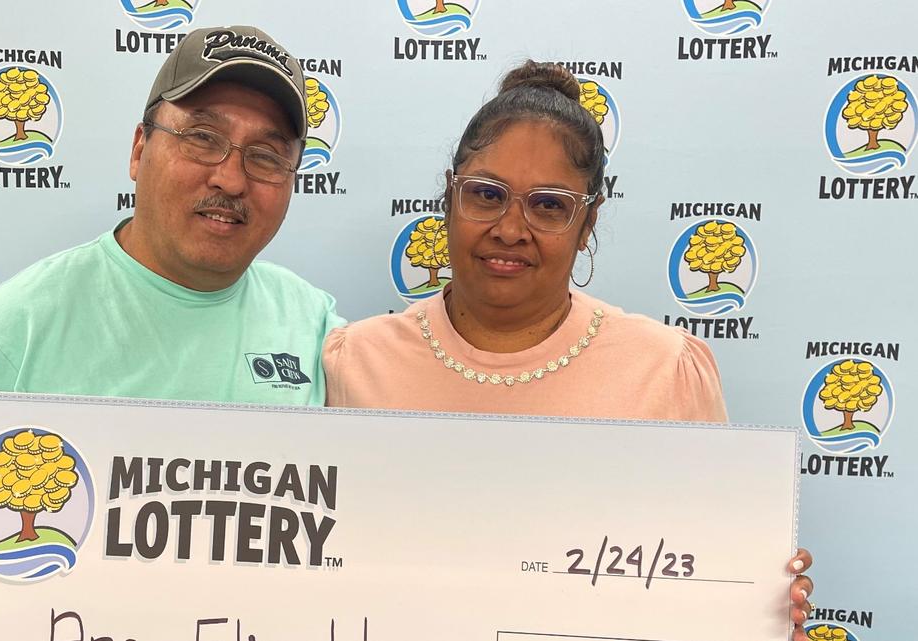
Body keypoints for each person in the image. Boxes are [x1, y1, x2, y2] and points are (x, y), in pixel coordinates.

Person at [0, 26, 342, 641]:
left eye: (266, 156)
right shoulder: (15, 328)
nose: (231, 179)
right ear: (139, 150)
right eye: (203, 138)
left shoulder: (317, 328)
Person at [322, 61, 815, 639]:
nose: (511, 229)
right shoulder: (357, 361)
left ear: (588, 223)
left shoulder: (664, 370)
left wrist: (754, 605)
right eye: (486, 195)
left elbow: (711, 569)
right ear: (449, 197)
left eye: (549, 205)